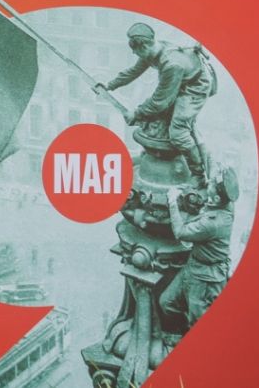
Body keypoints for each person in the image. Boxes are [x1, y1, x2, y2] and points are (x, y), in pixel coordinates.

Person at [94, 22, 215, 188]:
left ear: (144, 46)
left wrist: (137, 114)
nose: (134, 53)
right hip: (181, 79)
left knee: (178, 131)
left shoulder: (171, 64)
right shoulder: (154, 50)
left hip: (194, 87)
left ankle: (198, 174)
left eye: (135, 50)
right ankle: (153, 153)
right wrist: (109, 85)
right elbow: (134, 71)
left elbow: (160, 102)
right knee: (158, 119)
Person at [160, 186, 233, 330]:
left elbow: (180, 232)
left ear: (217, 198)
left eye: (213, 184)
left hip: (205, 277)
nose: (211, 182)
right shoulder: (226, 205)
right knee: (166, 302)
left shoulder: (212, 223)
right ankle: (184, 331)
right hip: (194, 265)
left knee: (198, 320)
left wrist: (172, 201)